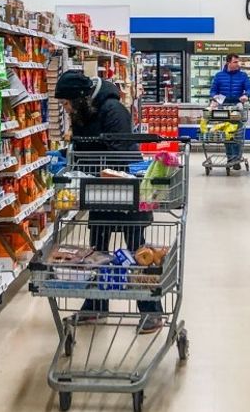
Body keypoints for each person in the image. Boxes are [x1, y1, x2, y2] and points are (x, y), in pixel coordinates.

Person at [54, 70, 164, 334]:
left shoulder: (113, 109)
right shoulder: (82, 111)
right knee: (97, 252)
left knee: (137, 250)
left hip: (125, 190)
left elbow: (119, 153)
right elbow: (83, 148)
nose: (65, 108)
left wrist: (88, 160)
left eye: (67, 103)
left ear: (80, 97)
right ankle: (96, 305)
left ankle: (152, 311)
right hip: (99, 192)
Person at [208, 54, 250, 167]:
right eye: (235, 62)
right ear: (228, 63)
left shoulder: (243, 75)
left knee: (238, 134)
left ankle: (237, 159)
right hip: (223, 108)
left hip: (237, 108)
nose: (238, 64)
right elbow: (213, 91)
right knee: (227, 135)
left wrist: (247, 95)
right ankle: (230, 158)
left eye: (238, 62)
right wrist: (216, 98)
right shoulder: (219, 76)